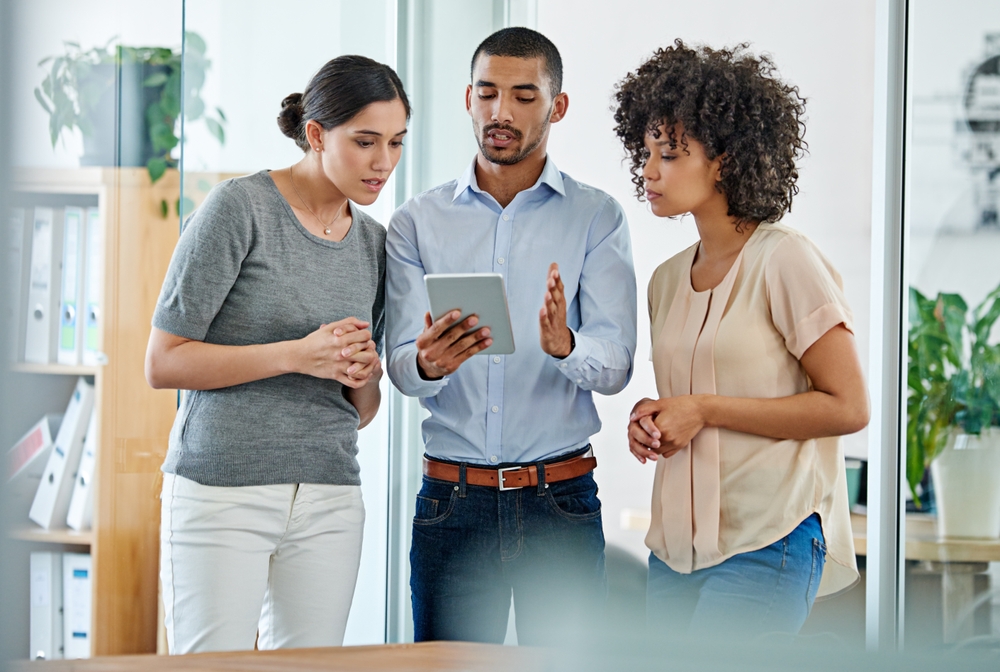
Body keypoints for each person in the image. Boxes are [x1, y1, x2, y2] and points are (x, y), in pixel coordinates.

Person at [144, 55, 409, 654]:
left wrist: (362, 374)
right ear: (315, 135)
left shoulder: (373, 242)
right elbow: (164, 361)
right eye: (365, 141)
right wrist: (296, 354)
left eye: (395, 142)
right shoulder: (239, 209)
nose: (384, 162)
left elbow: (358, 409)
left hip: (330, 496)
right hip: (222, 490)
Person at [386, 27, 637, 645]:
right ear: (467, 99)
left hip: (560, 502)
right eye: (488, 93)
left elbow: (619, 363)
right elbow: (397, 365)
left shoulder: (596, 217)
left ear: (557, 106)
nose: (501, 111)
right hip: (450, 504)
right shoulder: (416, 222)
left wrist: (567, 347)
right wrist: (427, 362)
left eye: (525, 96)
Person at [614, 41, 870, 639]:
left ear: (725, 161)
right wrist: (652, 420)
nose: (649, 171)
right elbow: (688, 400)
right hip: (674, 551)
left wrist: (703, 410)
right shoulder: (666, 280)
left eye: (670, 155)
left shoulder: (786, 260)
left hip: (768, 541)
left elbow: (848, 406)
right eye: (646, 152)